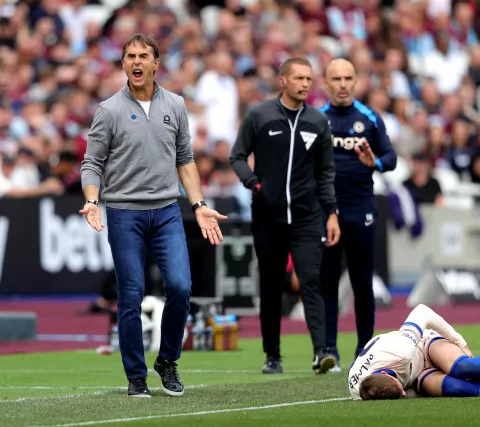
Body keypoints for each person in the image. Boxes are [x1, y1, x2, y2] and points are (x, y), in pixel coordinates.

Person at [79, 33, 227, 398]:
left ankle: (168, 361)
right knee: (131, 294)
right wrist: (93, 200)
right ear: (124, 64)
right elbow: (91, 163)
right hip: (125, 213)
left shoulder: (175, 104)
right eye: (130, 55)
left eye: (144, 55)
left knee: (180, 287)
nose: (137, 61)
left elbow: (185, 160)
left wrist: (198, 204)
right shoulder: (109, 110)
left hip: (166, 212)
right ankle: (136, 376)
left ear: (156, 63)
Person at [229, 56, 341, 375]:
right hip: (268, 218)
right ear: (283, 81)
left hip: (307, 218)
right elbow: (237, 156)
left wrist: (331, 213)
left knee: (311, 281)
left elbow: (326, 173)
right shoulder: (259, 115)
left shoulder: (318, 122)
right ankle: (272, 356)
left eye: (309, 79)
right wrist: (253, 183)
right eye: (300, 78)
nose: (306, 84)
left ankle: (322, 352)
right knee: (271, 286)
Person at [318, 59, 398, 372]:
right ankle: (328, 350)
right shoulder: (317, 119)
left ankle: (365, 350)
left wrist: (374, 162)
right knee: (327, 283)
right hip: (327, 211)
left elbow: (391, 157)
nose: (342, 84)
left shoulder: (369, 117)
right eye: (335, 78)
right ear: (326, 83)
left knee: (362, 283)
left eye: (347, 78)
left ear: (355, 82)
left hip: (362, 208)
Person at [349, 304, 480, 400]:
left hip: (423, 346)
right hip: (417, 378)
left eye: (401, 389)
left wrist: (461, 343)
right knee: (457, 388)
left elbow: (422, 311)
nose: (404, 394)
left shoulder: (400, 352)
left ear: (385, 373)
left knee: (463, 368)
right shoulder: (359, 392)